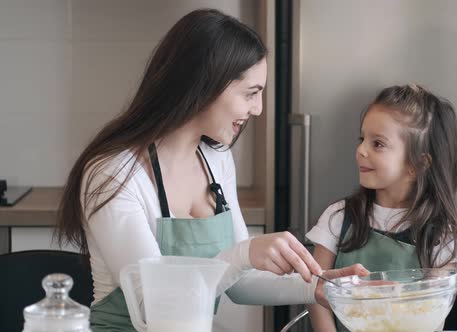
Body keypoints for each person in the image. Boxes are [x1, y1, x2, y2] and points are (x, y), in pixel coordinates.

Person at [55, 9, 366, 332]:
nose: (258, 109)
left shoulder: (215, 160)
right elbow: (156, 307)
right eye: (251, 93)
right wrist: (243, 254)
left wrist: (318, 287)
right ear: (206, 84)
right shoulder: (113, 174)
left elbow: (240, 284)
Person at [306, 84, 457, 332]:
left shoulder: (440, 234)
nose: (361, 150)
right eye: (362, 139)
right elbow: (316, 294)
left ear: (417, 164)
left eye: (378, 144)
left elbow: (434, 317)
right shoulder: (338, 218)